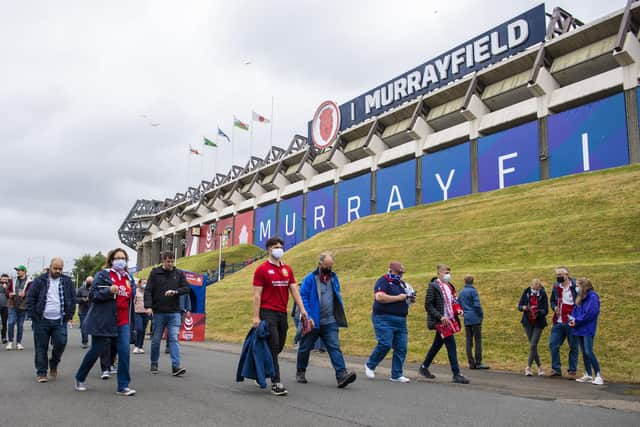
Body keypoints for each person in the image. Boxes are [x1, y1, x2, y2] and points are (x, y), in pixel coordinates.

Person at [74, 248, 136, 395]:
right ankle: (80, 377)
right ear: (111, 260)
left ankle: (123, 386)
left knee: (124, 352)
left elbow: (130, 298)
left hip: (122, 320)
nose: (120, 261)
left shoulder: (129, 278)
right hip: (104, 320)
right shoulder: (103, 275)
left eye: (123, 258)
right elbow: (93, 295)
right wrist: (108, 291)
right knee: (96, 350)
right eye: (117, 258)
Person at [252, 236, 308, 396]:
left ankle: (261, 370)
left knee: (279, 346)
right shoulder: (261, 269)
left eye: (281, 246)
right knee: (274, 344)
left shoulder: (287, 269)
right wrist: (256, 317)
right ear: (269, 249)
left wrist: (303, 310)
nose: (279, 249)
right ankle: (276, 382)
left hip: (281, 312)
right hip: (267, 311)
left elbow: (294, 290)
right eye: (276, 247)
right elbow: (257, 295)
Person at [296, 252, 357, 388]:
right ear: (320, 264)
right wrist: (308, 316)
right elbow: (303, 297)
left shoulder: (334, 278)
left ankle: (341, 375)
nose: (329, 269)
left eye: (331, 266)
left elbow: (336, 295)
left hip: (330, 321)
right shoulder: (310, 279)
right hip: (313, 321)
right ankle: (301, 371)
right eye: (326, 266)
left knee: (334, 347)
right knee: (305, 347)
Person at [25, 258, 75, 383]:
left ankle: (54, 363)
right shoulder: (39, 281)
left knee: (61, 342)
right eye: (55, 268)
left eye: (60, 269)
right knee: (41, 347)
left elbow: (73, 299)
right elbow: (30, 298)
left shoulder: (67, 281)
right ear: (50, 267)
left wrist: (69, 315)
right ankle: (41, 372)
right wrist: (33, 316)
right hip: (41, 320)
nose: (58, 271)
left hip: (60, 319)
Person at [365, 261, 415, 383]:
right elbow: (380, 297)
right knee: (385, 343)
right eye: (398, 272)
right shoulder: (384, 281)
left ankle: (396, 374)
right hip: (383, 317)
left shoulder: (403, 284)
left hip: (401, 319)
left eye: (401, 273)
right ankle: (370, 365)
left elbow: (407, 298)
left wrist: (410, 298)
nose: (400, 275)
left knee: (401, 347)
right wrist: (399, 297)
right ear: (391, 270)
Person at [419, 264, 469, 384]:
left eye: (449, 273)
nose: (448, 275)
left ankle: (424, 367)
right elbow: (428, 305)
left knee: (437, 344)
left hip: (450, 319)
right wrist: (440, 317)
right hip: (440, 321)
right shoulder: (433, 287)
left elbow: (454, 301)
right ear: (439, 274)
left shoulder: (450, 286)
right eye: (445, 273)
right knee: (451, 345)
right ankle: (456, 374)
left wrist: (458, 310)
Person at [145, 251, 190, 376]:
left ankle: (176, 366)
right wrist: (148, 306)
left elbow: (186, 288)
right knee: (156, 339)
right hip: (159, 311)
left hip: (174, 312)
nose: (170, 264)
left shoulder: (179, 273)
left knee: (174, 339)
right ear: (163, 261)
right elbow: (148, 290)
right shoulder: (155, 273)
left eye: (172, 261)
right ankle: (154, 362)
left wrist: (175, 292)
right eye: (167, 261)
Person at [570, 278, 603, 385]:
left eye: (578, 285)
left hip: (588, 327)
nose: (576, 287)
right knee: (584, 352)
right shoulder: (580, 297)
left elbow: (590, 314)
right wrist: (572, 319)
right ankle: (588, 374)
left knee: (589, 351)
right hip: (579, 327)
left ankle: (598, 375)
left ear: (584, 286)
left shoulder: (593, 297)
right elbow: (575, 310)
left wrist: (577, 321)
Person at [549, 267, 579, 378]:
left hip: (572, 321)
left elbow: (581, 302)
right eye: (557, 275)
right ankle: (556, 369)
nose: (558, 277)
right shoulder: (556, 286)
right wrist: (554, 307)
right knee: (553, 344)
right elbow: (552, 300)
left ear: (567, 274)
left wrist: (578, 317)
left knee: (573, 346)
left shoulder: (575, 286)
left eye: (560, 274)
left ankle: (572, 370)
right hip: (558, 321)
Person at [518, 279, 548, 377]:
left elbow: (546, 310)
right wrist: (524, 308)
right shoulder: (526, 293)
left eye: (538, 285)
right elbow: (519, 306)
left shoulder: (543, 294)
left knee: (533, 344)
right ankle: (540, 367)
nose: (536, 287)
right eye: (534, 285)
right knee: (533, 346)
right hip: (527, 322)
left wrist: (538, 312)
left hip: (538, 322)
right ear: (531, 285)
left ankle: (528, 367)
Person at [457, 274, 489, 370]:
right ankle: (478, 362)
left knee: (468, 340)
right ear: (472, 281)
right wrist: (481, 314)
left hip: (467, 318)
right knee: (477, 340)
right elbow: (477, 305)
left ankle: (471, 362)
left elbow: (458, 303)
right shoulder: (473, 291)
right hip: (475, 318)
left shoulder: (462, 292)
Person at [7, 265, 31, 350]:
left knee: (20, 325)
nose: (17, 272)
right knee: (10, 323)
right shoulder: (13, 279)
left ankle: (18, 343)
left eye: (19, 270)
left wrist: (26, 294)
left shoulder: (29, 281)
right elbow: (8, 289)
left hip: (23, 305)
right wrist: (9, 293)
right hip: (12, 304)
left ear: (24, 271)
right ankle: (10, 342)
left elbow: (31, 292)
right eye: (17, 270)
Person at [164, 288, 191, 354]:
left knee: (176, 330)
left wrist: (188, 310)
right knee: (171, 329)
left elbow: (188, 300)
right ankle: (168, 346)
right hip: (171, 311)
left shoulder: (184, 289)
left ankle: (174, 346)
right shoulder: (171, 287)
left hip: (181, 312)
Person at [133, 279, 149, 354]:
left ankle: (140, 346)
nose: (145, 284)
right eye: (143, 283)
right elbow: (133, 302)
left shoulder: (148, 292)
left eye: (146, 283)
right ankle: (136, 346)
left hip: (146, 313)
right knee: (139, 329)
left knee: (143, 330)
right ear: (139, 284)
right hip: (137, 313)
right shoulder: (135, 291)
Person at [76, 276, 93, 349]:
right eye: (88, 281)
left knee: (94, 328)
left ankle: (95, 343)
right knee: (84, 327)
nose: (89, 283)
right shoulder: (81, 289)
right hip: (83, 311)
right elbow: (75, 299)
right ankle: (85, 341)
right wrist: (82, 299)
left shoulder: (94, 289)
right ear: (86, 281)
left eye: (91, 281)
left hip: (92, 311)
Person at [0, 274, 9, 344]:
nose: (4, 281)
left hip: (5, 307)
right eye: (3, 279)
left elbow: (9, 295)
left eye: (6, 280)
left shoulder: (9, 286)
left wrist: (6, 288)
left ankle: (4, 337)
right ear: (1, 279)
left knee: (4, 323)